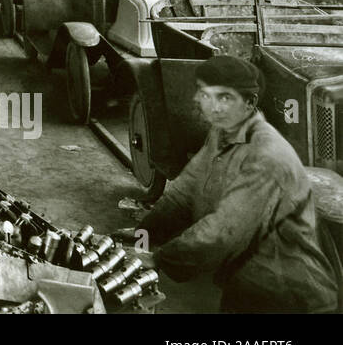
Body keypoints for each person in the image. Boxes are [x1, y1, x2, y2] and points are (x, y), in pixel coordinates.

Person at [134, 55, 338, 313]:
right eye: (206, 94)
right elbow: (186, 190)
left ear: (249, 103)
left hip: (290, 293)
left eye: (224, 97)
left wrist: (158, 258)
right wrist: (142, 235)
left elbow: (223, 231)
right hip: (249, 281)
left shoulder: (267, 154)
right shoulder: (222, 132)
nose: (210, 105)